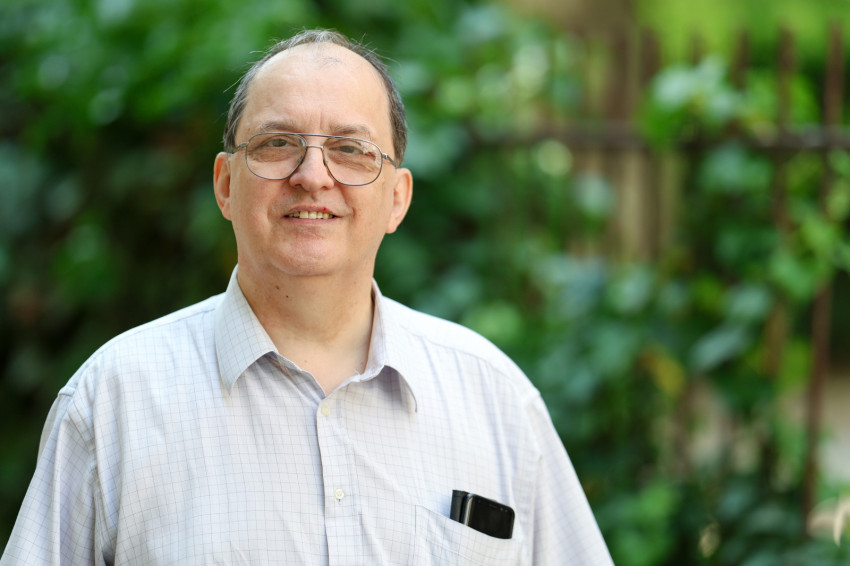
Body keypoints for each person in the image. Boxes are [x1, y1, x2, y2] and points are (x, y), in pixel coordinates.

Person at [0, 29, 613, 565]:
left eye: (350, 149)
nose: (312, 175)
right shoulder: (112, 403)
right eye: (276, 143)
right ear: (225, 184)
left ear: (397, 198)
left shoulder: (497, 401)